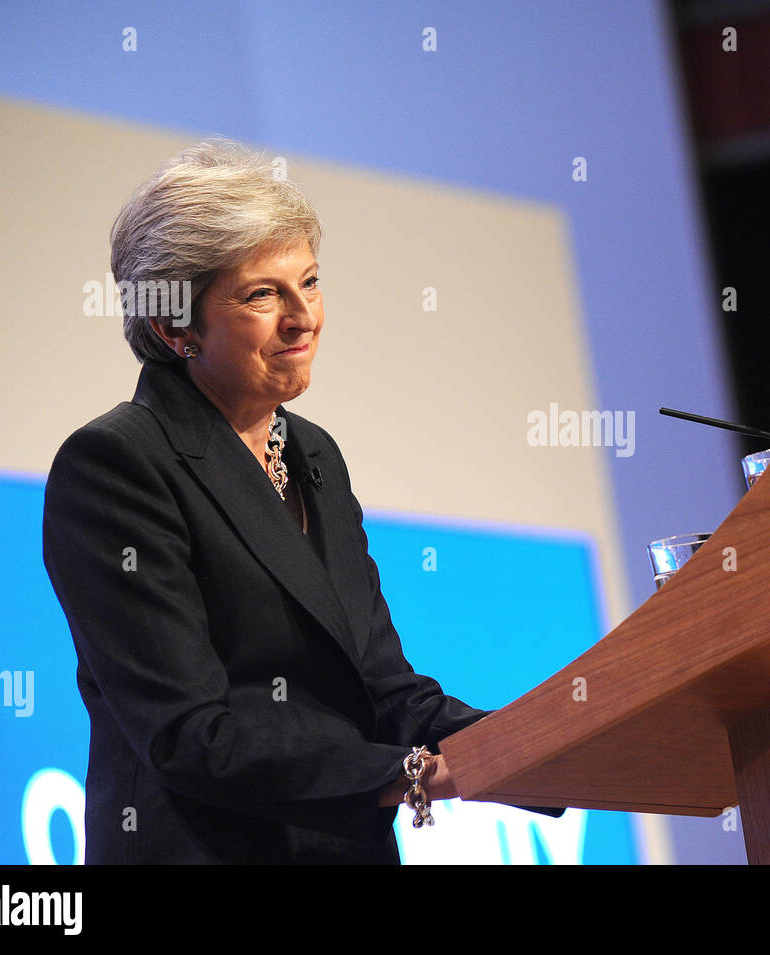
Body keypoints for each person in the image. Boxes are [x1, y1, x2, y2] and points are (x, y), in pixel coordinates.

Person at [42, 138, 558, 863]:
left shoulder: (312, 452)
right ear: (174, 326)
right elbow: (192, 735)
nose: (302, 316)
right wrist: (412, 774)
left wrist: (547, 742)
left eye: (309, 282)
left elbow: (385, 691)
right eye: (262, 293)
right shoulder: (117, 464)